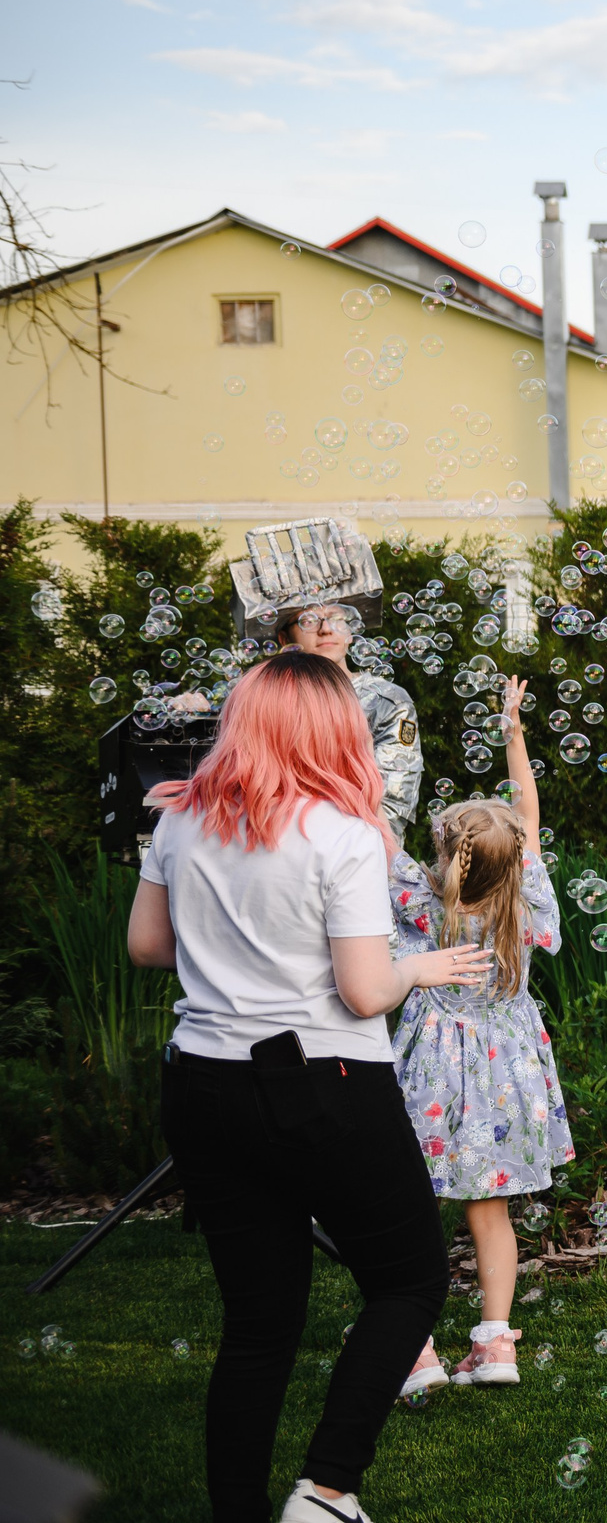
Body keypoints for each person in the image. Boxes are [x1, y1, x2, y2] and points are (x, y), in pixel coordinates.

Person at [129, 650, 487, 1523]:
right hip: (323, 1082)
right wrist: (426, 965)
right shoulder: (344, 832)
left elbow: (147, 945)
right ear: (336, 728)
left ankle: (238, 1510)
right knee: (409, 1283)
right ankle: (327, 1490)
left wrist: (238, 950)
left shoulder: (180, 819)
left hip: (203, 1083)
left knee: (259, 1321)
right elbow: (365, 990)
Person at [390, 674, 574, 1395]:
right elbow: (526, 810)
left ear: (445, 854)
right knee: (488, 1207)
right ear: (515, 855)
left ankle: (416, 1349)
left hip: (431, 1076)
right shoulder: (524, 894)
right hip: (506, 1075)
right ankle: (496, 1343)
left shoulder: (419, 898)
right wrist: (514, 730)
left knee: (410, 1205)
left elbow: (373, 829)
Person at [275, 600, 423, 835]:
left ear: (351, 632)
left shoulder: (387, 701)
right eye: (310, 620)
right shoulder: (269, 700)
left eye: (336, 618)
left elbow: (393, 801)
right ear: (285, 640)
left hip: (362, 844)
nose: (325, 629)